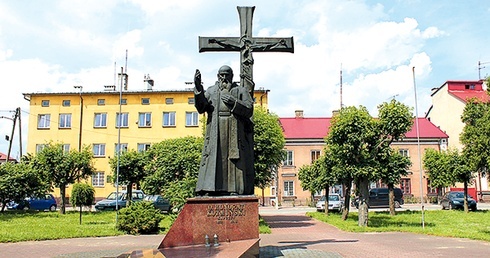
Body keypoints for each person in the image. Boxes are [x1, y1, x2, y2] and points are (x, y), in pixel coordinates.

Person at [193, 65, 255, 196]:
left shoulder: (240, 90)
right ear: (218, 76)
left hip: (234, 129)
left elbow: (249, 109)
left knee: (233, 159)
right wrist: (198, 88)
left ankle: (234, 189)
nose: (224, 78)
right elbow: (201, 107)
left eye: (227, 75)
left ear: (232, 76)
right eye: (222, 75)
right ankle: (211, 189)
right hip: (216, 129)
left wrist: (235, 102)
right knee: (215, 157)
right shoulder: (211, 91)